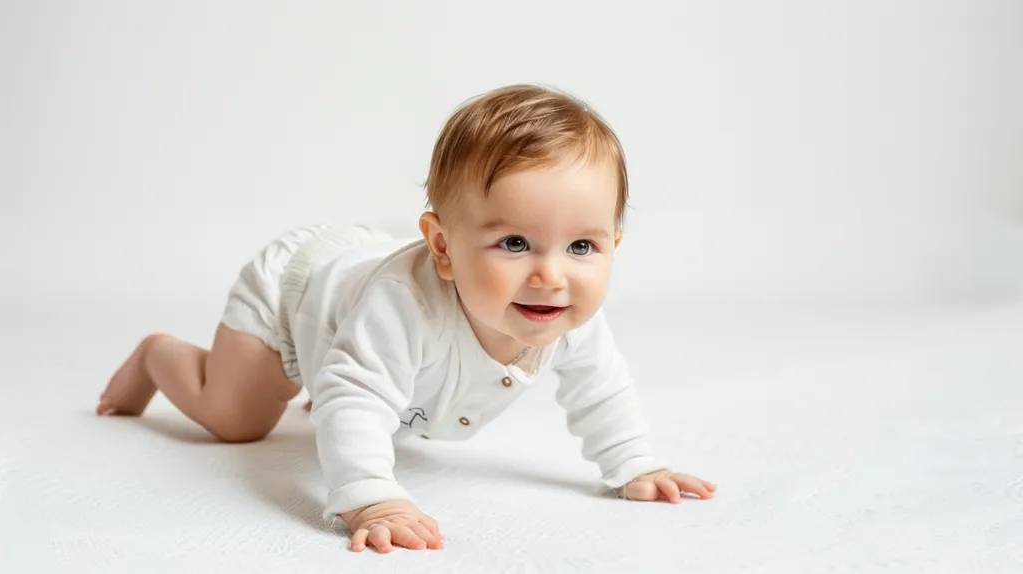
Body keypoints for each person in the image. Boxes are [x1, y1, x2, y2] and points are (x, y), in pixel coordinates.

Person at [97, 83, 717, 554]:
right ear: (443, 247)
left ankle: (349, 357)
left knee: (367, 374)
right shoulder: (404, 306)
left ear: (614, 243)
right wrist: (372, 498)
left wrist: (635, 465)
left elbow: (600, 388)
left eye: (582, 247)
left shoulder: (567, 316)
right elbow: (356, 396)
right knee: (238, 419)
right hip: (298, 289)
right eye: (514, 244)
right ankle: (159, 355)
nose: (551, 277)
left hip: (354, 290)